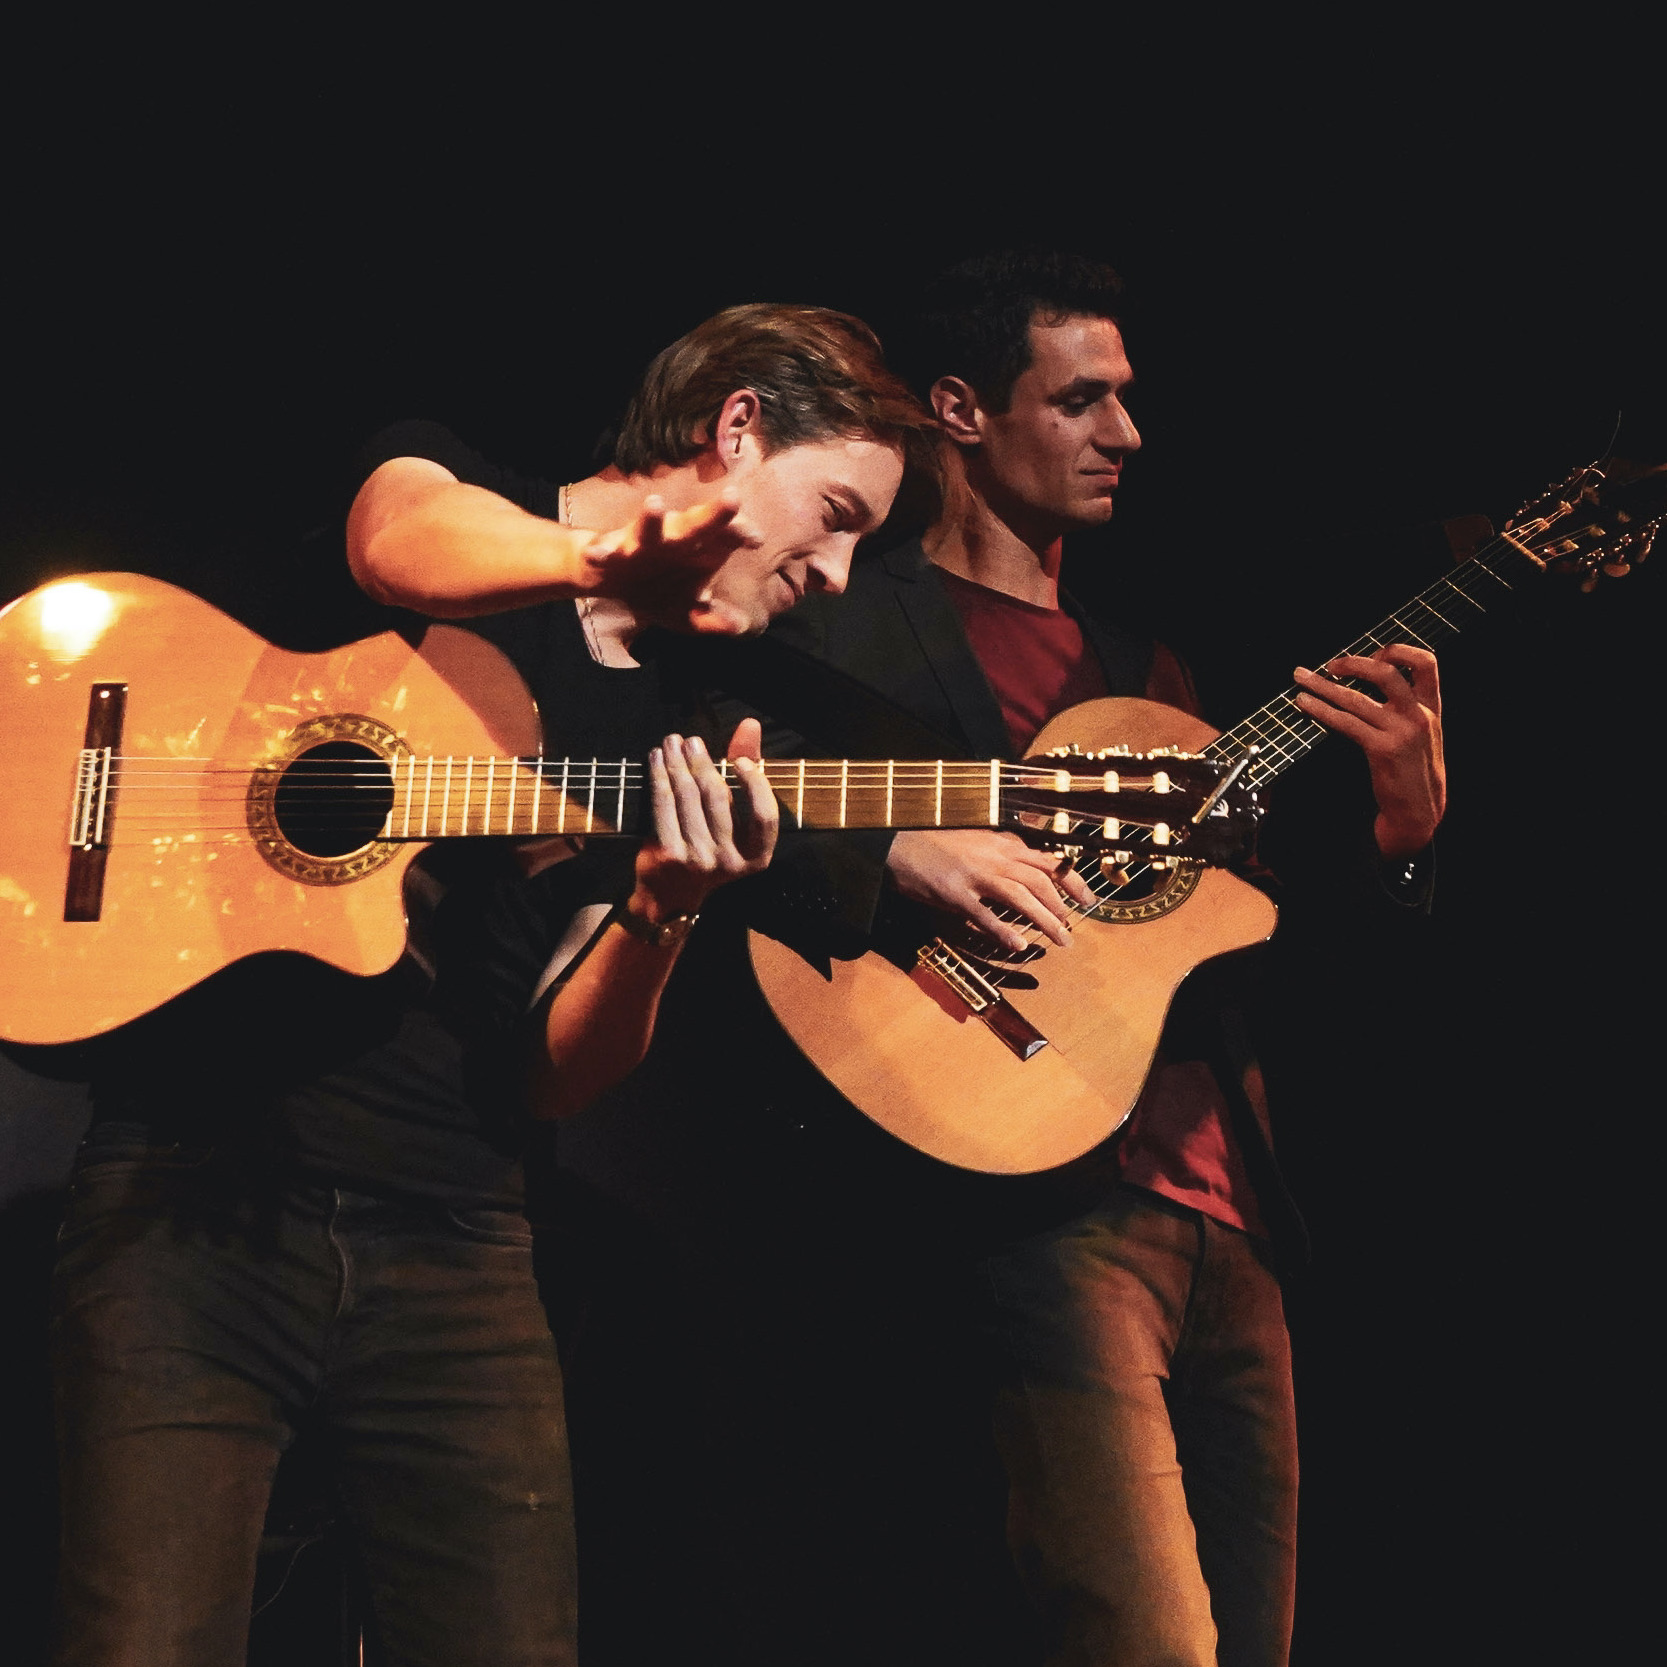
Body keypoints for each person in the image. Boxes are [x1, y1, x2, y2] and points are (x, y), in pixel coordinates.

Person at [47, 302, 931, 1667]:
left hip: (458, 1249)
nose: (837, 573)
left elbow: (557, 1067)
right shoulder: (454, 485)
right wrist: (599, 560)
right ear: (739, 426)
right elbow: (396, 542)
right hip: (194, 1203)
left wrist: (664, 910)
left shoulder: (687, 725)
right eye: (834, 512)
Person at [739, 254, 1446, 1667]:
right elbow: (736, 820)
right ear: (959, 410)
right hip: (1042, 1199)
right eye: (1081, 400)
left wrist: (1403, 839)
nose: (1127, 434)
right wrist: (896, 864)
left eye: (1125, 399)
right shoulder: (850, 624)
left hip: (1232, 1214)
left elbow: (1254, 952)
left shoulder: (1156, 678)